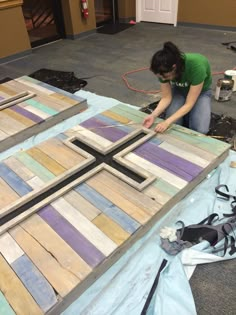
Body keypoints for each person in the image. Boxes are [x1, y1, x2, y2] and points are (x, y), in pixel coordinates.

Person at [143, 41, 212, 134]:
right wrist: (153, 115)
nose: (163, 79)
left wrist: (166, 122)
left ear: (174, 67)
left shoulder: (197, 65)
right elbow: (166, 98)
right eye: (161, 77)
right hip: (179, 90)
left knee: (200, 130)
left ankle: (189, 114)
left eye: (165, 77)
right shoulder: (163, 71)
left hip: (201, 93)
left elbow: (189, 103)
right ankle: (186, 114)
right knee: (174, 123)